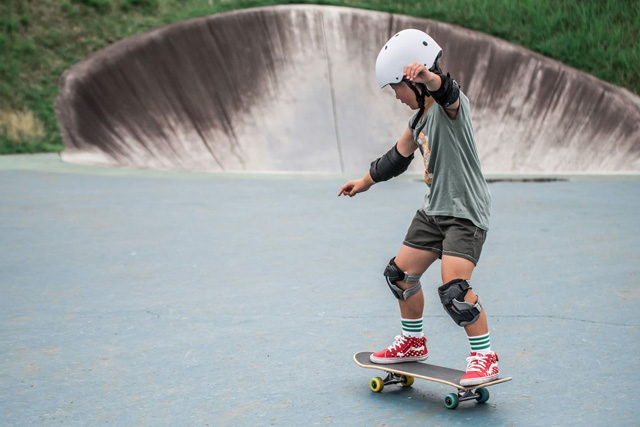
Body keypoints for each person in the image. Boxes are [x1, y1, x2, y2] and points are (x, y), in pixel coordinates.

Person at [338, 29, 498, 386]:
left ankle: (485, 357)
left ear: (417, 81)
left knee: (455, 289)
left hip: (465, 214)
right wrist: (364, 182)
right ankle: (413, 342)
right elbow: (396, 157)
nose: (394, 95)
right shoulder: (418, 121)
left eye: (396, 87)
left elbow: (448, 91)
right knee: (399, 275)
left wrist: (432, 78)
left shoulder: (451, 108)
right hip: (433, 212)